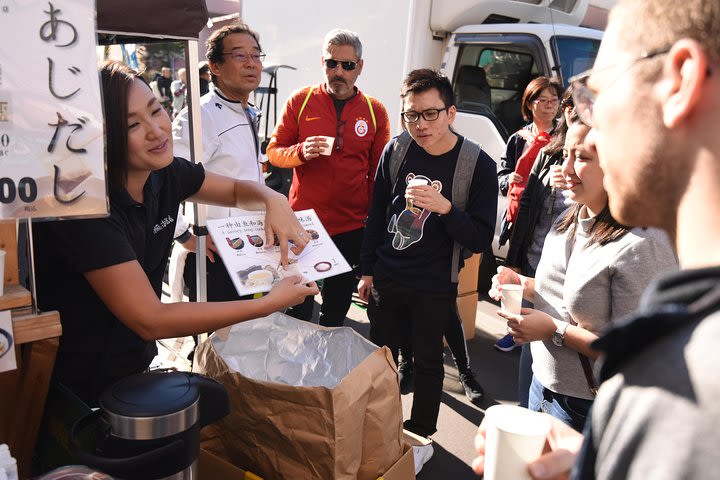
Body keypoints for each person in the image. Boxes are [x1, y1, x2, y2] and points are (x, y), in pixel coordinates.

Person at [474, 0, 720, 477]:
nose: (589, 136)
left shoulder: (697, 380)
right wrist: (591, 460)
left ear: (679, 83)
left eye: (597, 93)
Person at [32, 61, 319, 407]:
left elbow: (234, 192)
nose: (156, 131)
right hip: (73, 386)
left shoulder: (166, 174)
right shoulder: (85, 207)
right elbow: (150, 318)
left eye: (156, 111)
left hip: (132, 367)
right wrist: (268, 304)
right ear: (99, 138)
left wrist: (272, 199)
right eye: (133, 125)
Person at [491, 114, 676, 432]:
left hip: (588, 408)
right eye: (565, 155)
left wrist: (553, 330)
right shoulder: (570, 215)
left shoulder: (643, 242)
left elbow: (634, 352)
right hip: (542, 386)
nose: (564, 170)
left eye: (582, 158)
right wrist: (521, 283)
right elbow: (564, 292)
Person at [358, 69, 497, 471]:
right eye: (411, 115)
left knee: (428, 363)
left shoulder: (478, 165)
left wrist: (447, 209)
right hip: (388, 274)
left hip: (436, 281)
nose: (420, 124)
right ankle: (378, 430)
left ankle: (420, 438)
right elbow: (376, 215)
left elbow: (479, 239)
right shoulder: (396, 150)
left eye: (430, 114)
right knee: (380, 359)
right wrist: (367, 271)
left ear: (451, 112)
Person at [266, 29, 390, 327]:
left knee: (335, 311)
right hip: (303, 225)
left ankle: (324, 369)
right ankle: (293, 369)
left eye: (347, 66)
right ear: (323, 62)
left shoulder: (375, 112)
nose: (338, 72)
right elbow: (273, 152)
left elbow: (378, 175)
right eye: (332, 63)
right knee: (297, 308)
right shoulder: (301, 100)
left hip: (350, 228)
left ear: (360, 67)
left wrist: (374, 223)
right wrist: (299, 151)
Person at [171, 22, 266, 303]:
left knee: (250, 337)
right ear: (214, 66)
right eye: (239, 55)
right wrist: (182, 235)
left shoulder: (248, 110)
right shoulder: (199, 116)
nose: (251, 63)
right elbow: (164, 179)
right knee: (219, 342)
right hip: (216, 252)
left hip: (253, 248)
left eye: (256, 55)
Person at [503, 84, 576, 407]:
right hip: (540, 259)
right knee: (534, 342)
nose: (566, 111)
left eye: (556, 102)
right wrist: (516, 259)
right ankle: (528, 406)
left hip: (578, 268)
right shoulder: (543, 149)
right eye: (568, 106)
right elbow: (528, 207)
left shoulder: (609, 157)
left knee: (564, 344)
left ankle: (556, 405)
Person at [495, 76, 563, 353]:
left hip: (548, 220)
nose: (549, 106)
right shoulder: (518, 139)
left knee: (545, 276)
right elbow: (501, 174)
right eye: (543, 101)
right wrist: (511, 179)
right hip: (518, 217)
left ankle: (545, 330)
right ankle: (515, 329)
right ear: (529, 104)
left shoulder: (564, 138)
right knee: (516, 274)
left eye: (554, 101)